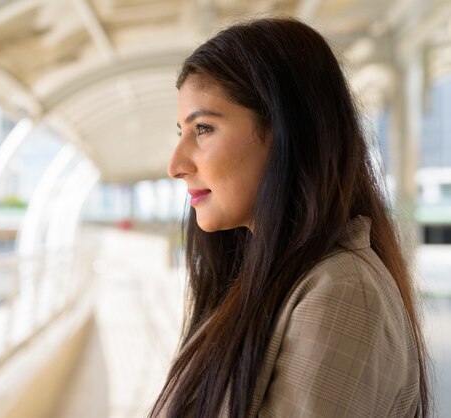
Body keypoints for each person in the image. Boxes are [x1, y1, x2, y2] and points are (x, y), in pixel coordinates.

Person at [150, 18, 430, 418]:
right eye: (182, 132)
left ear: (286, 131)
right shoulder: (262, 277)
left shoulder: (343, 292)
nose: (175, 164)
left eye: (204, 129)